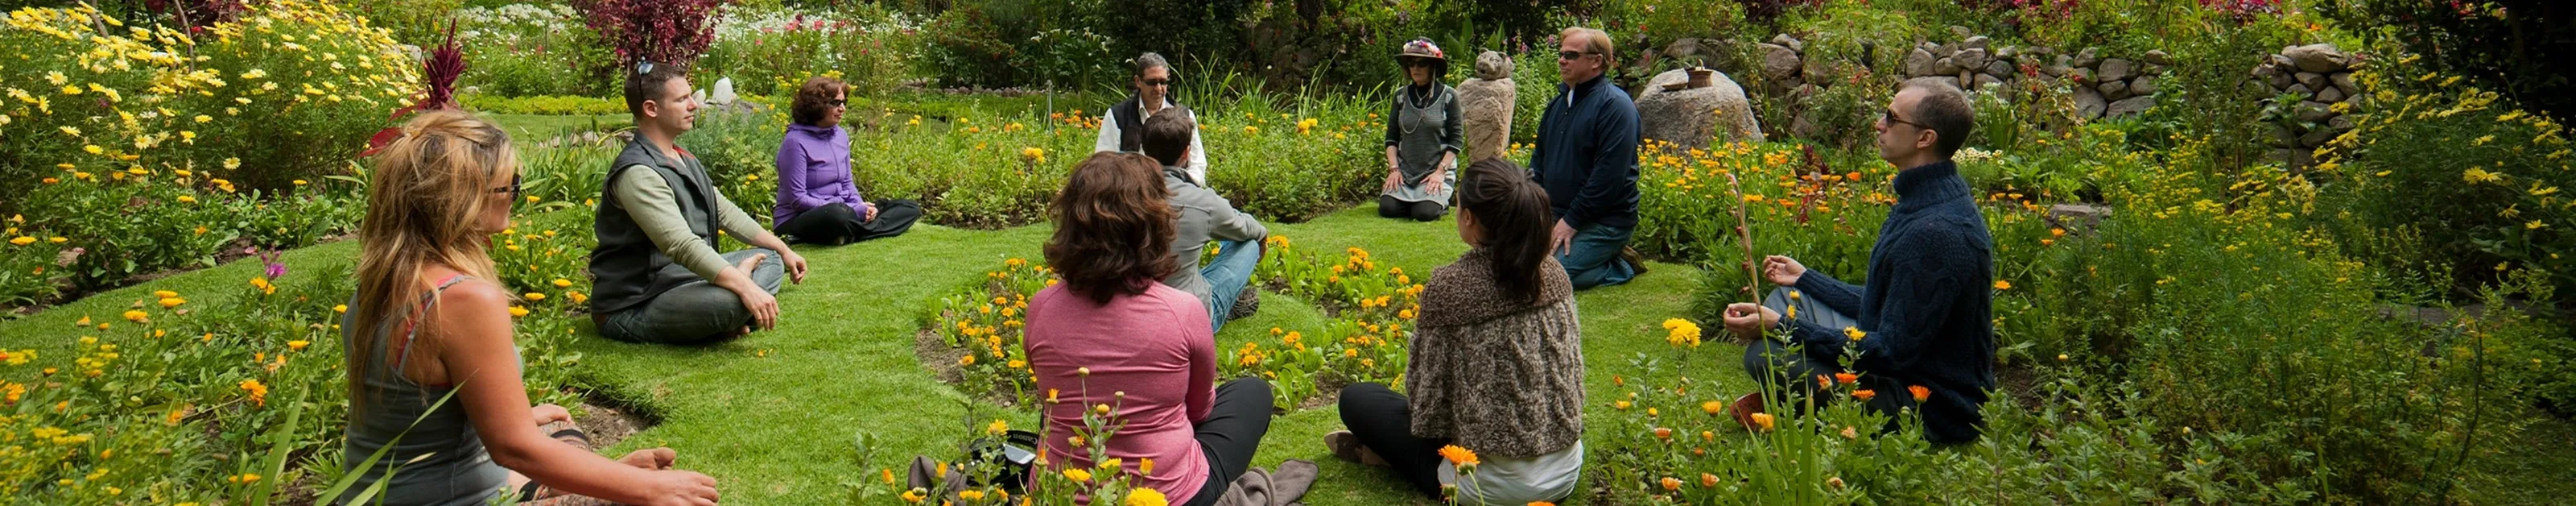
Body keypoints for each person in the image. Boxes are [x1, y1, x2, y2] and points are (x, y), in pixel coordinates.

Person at [341, 110, 720, 506]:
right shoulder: (461, 298)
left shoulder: (382, 280)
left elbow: (419, 410)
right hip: (454, 497)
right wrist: (647, 489)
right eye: (509, 185)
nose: (515, 195)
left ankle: (573, 483)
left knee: (559, 427)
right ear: (464, 196)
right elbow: (514, 449)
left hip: (391, 491)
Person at [1719, 78, 1996, 445]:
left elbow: (1893, 353)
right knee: (1786, 299)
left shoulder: (1938, 231)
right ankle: (1796, 402)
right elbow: (1886, 306)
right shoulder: (1925, 202)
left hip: (1928, 403)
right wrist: (1805, 279)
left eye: (1892, 118)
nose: (1879, 124)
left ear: (1925, 138)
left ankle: (1799, 410)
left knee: (1764, 354)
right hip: (1902, 360)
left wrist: (1783, 329)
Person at [1327, 159, 1585, 504]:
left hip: (1486, 486)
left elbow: (1427, 410)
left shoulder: (1450, 286)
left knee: (1358, 399)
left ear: (1469, 217)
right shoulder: (1554, 274)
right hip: (1564, 472)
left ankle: (1386, 458)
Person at [1023, 152, 1275, 506]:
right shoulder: (1182, 311)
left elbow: (1049, 398)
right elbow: (1200, 411)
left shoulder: (1041, 308)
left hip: (1058, 494)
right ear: (1155, 222)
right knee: (1253, 393)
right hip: (1167, 495)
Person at [590, 61, 810, 345]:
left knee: (772, 260)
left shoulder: (682, 156)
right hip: (637, 302)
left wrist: (782, 247)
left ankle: (725, 309)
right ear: (651, 109)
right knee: (729, 303)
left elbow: (724, 212)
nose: (694, 105)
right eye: (682, 99)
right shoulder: (638, 173)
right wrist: (741, 283)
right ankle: (728, 310)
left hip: (681, 280)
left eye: (690, 96)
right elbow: (680, 244)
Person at [1529, 27, 1645, 290]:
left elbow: (1609, 179)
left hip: (1604, 222)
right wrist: (1537, 214)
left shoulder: (1616, 107)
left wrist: (1570, 222)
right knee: (1510, 258)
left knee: (1547, 278)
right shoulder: (1558, 105)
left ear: (1596, 61)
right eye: (1561, 54)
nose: (1562, 60)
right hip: (1558, 214)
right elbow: (1538, 163)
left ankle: (1617, 266)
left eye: (1571, 55)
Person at [1139, 106, 1268, 332]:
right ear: (1187, 153)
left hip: (1132, 309)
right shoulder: (1203, 201)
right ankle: (1225, 306)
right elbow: (1250, 229)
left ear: (1144, 149)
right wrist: (1262, 237)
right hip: (1187, 318)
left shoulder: (1121, 195)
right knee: (1248, 242)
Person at [773, 75, 920, 245]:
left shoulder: (840, 136)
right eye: (835, 103)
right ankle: (851, 229)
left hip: (843, 209)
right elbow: (799, 200)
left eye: (844, 102)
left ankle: (848, 233)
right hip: (800, 217)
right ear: (816, 106)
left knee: (909, 208)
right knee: (837, 215)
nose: (842, 108)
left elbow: (847, 182)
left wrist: (860, 206)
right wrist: (851, 209)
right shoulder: (795, 143)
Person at [1379, 38, 1466, 222]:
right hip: (1405, 172)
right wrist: (1394, 169)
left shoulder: (1450, 96)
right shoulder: (1400, 96)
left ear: (1433, 66)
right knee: (1388, 209)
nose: (1415, 68)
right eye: (1411, 63)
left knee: (1424, 213)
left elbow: (1457, 141)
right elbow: (1391, 139)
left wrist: (1440, 172)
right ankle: (1411, 198)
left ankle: (1435, 200)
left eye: (1421, 63)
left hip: (1436, 171)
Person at [1095, 52, 1209, 185]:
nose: (1159, 88)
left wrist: (1182, 187)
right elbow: (1103, 164)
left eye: (1163, 82)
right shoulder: (1117, 115)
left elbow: (1198, 166)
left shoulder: (1185, 115)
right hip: (1131, 193)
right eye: (1152, 82)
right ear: (1138, 81)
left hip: (1176, 192)